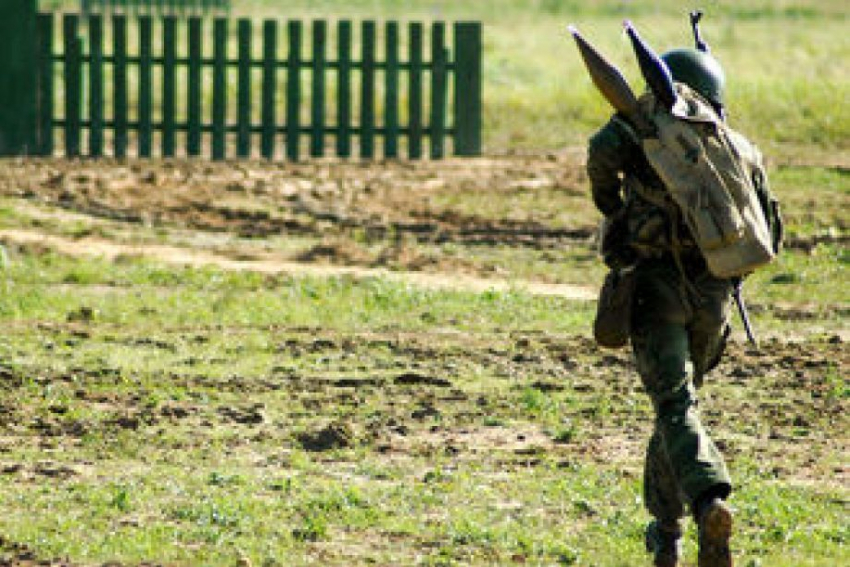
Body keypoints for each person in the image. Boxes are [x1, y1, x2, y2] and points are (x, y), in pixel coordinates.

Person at [586, 48, 741, 567]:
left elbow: (600, 155)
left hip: (657, 293)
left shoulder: (638, 131)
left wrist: (612, 206)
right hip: (714, 298)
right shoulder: (730, 147)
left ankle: (707, 500)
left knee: (675, 407)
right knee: (678, 411)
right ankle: (666, 532)